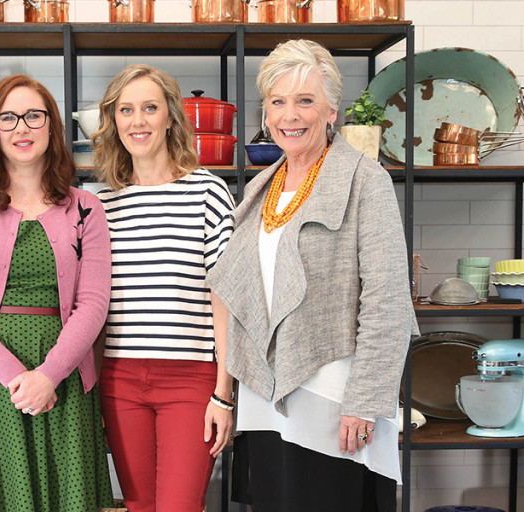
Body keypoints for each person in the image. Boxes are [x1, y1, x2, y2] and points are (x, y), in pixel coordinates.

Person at [207, 39, 417, 512]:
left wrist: (364, 401)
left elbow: (387, 300)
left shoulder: (365, 180)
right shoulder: (264, 186)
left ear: (331, 110)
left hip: (335, 398)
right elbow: (235, 288)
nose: (290, 115)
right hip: (266, 398)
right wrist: (225, 394)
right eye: (278, 101)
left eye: (305, 101)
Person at [0, 74, 114, 512]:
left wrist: (48, 376)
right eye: (8, 117)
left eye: (34, 115)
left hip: (63, 376)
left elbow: (93, 303)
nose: (22, 127)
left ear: (52, 126)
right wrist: (18, 378)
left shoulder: (86, 208)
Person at [92, 63, 236, 512]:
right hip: (119, 381)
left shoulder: (208, 193)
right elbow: (95, 307)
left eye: (150, 108)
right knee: (138, 506)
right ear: (113, 121)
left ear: (170, 117)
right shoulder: (101, 203)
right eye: (126, 110)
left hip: (191, 381)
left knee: (179, 506)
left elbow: (227, 301)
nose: (138, 121)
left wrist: (224, 394)